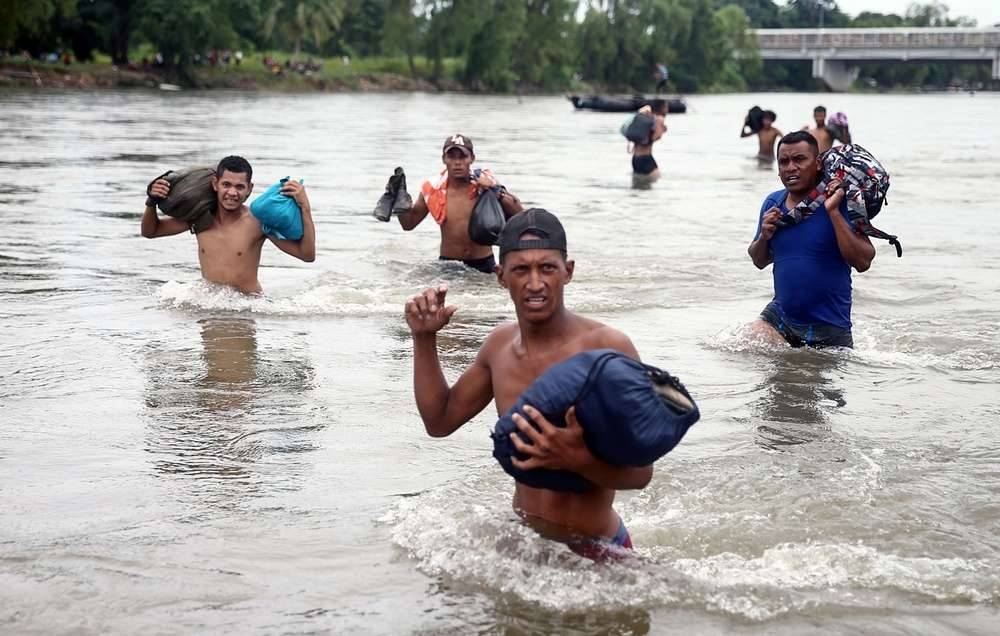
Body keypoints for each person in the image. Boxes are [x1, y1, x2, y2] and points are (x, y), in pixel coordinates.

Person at [404, 209, 651, 560]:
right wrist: (423, 339)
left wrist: (576, 458)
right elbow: (439, 422)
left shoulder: (607, 348)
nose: (535, 283)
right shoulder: (499, 347)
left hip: (596, 550)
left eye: (547, 268)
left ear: (568, 271)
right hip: (523, 544)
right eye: (521, 270)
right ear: (501, 276)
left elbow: (641, 473)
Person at [747, 132, 875, 349]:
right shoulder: (772, 203)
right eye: (784, 162)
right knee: (747, 345)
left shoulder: (840, 201)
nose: (790, 167)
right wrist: (764, 237)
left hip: (830, 327)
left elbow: (863, 262)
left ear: (817, 164)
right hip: (780, 317)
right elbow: (759, 261)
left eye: (799, 159)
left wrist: (833, 212)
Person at [141, 155, 316, 294]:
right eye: (226, 185)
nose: (232, 192)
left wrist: (305, 208)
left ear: (249, 189)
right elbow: (151, 231)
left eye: (240, 187)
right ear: (215, 184)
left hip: (247, 307)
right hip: (209, 306)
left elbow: (306, 255)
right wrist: (152, 201)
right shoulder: (200, 218)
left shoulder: (257, 222)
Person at [396, 134, 524, 273]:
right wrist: (398, 201)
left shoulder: (485, 182)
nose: (457, 162)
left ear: (472, 158)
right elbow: (408, 224)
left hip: (484, 263)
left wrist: (495, 190)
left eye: (462, 157)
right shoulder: (433, 188)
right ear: (444, 159)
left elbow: (520, 213)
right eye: (452, 157)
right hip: (448, 265)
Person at [631, 100, 668, 179]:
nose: (667, 110)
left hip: (635, 158)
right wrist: (661, 132)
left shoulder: (645, 118)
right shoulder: (659, 119)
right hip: (646, 158)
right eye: (666, 107)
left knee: (638, 186)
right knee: (656, 179)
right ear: (662, 108)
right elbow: (656, 136)